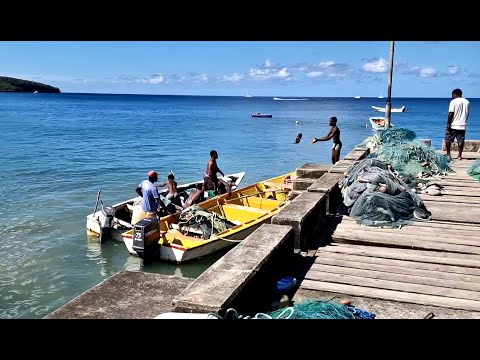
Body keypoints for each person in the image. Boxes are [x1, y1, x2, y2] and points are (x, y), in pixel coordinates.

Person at [444, 88, 471, 160]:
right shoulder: (467, 102)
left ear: (455, 94)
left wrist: (448, 124)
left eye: (452, 95)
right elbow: (467, 113)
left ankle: (448, 153)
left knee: (448, 139)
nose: (451, 97)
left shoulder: (453, 101)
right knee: (460, 141)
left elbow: (451, 113)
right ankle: (459, 155)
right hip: (462, 125)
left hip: (453, 124)